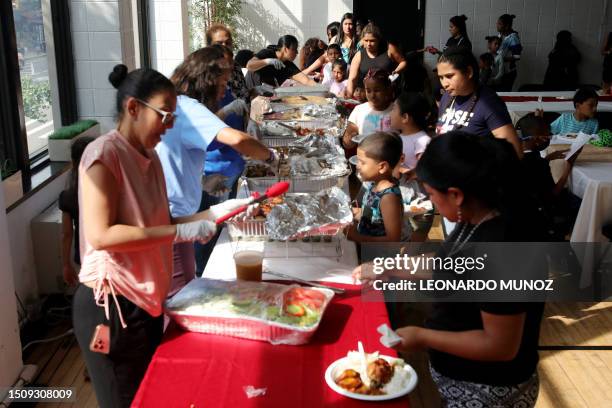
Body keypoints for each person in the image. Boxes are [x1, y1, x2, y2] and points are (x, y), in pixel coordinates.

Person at [354, 131, 545, 408]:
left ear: (455, 194)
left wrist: (422, 336)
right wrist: (391, 267)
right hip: (461, 379)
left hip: (487, 389)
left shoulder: (504, 247)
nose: (430, 201)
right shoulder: (478, 216)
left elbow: (500, 345)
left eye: (431, 194)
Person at [73, 65, 222, 408]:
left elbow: (158, 221)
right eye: (165, 115)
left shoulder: (150, 156)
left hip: (147, 300)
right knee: (124, 399)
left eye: (174, 116)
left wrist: (212, 215)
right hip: (112, 305)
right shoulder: (104, 156)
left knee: (151, 393)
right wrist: (180, 229)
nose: (170, 125)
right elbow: (101, 235)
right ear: (133, 108)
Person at [156, 47, 276, 294]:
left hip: (171, 214)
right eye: (221, 84)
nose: (224, 91)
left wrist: (200, 179)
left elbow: (175, 158)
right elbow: (238, 140)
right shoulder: (189, 107)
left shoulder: (177, 105)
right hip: (173, 220)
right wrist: (270, 156)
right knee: (180, 295)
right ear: (206, 81)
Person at [435, 48, 522, 156]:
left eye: (449, 76)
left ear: (469, 72)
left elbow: (514, 152)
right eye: (441, 77)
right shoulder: (446, 97)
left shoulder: (489, 102)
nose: (444, 83)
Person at [518, 113, 581, 239]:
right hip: (542, 211)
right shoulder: (538, 164)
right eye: (547, 135)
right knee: (580, 200)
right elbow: (554, 193)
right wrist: (568, 166)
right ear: (537, 139)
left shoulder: (516, 155)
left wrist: (547, 158)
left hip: (521, 209)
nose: (549, 138)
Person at [346, 132, 403, 242]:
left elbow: (393, 239)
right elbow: (371, 214)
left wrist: (357, 238)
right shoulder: (373, 186)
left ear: (382, 167)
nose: (357, 165)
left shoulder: (388, 198)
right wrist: (351, 212)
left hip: (378, 256)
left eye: (362, 162)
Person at [59, 136, 95, 286]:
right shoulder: (110, 190)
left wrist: (66, 264)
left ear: (73, 163)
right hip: (110, 253)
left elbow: (67, 234)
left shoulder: (68, 196)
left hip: (84, 255)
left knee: (93, 296)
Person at [346, 22, 406, 98]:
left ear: (378, 40)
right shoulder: (359, 55)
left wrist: (396, 71)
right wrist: (349, 97)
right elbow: (352, 79)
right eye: (366, 40)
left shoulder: (389, 49)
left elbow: (403, 62)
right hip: (367, 96)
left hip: (388, 95)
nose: (368, 44)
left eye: (372, 41)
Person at [342, 69, 395, 150]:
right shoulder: (359, 110)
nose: (372, 95)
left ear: (388, 90)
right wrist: (350, 138)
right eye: (368, 91)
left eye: (377, 90)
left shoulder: (396, 111)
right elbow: (347, 143)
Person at [245, 35, 316, 87]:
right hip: (250, 93)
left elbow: (306, 80)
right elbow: (249, 65)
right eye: (294, 49)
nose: (297, 53)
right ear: (285, 49)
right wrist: (267, 61)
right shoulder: (266, 53)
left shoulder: (288, 65)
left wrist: (322, 88)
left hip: (267, 97)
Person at [205, 23, 249, 102]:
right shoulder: (207, 69)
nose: (224, 46)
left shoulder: (235, 66)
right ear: (209, 45)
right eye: (219, 43)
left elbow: (243, 93)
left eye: (227, 43)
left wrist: (254, 91)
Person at [390, 92, 431, 171]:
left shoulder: (422, 140)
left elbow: (425, 169)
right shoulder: (398, 137)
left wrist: (400, 170)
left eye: (393, 109)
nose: (390, 113)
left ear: (405, 117)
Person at [497, 14, 522, 91]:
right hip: (500, 72)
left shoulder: (513, 37)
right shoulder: (500, 35)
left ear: (507, 26)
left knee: (504, 96)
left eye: (499, 24)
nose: (497, 25)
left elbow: (517, 56)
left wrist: (501, 59)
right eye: (497, 23)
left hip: (508, 73)